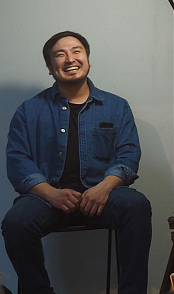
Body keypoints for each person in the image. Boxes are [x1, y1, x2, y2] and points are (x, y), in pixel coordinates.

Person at [2, 31, 152, 294]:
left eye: (76, 51)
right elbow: (18, 161)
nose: (70, 58)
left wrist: (104, 188)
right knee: (16, 223)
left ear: (88, 60)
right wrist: (51, 194)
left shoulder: (116, 106)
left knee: (136, 206)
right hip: (47, 199)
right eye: (60, 55)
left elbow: (129, 154)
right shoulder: (29, 110)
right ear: (50, 67)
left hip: (101, 196)